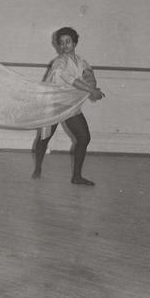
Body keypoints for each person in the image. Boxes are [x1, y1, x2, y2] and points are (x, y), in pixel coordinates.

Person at [32, 26, 106, 186]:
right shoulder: (59, 62)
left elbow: (88, 75)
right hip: (52, 105)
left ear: (74, 42)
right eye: (61, 43)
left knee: (84, 138)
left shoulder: (81, 61)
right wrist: (92, 90)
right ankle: (38, 168)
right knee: (44, 139)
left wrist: (93, 85)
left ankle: (77, 177)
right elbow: (72, 80)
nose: (65, 45)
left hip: (70, 106)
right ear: (58, 45)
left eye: (68, 42)